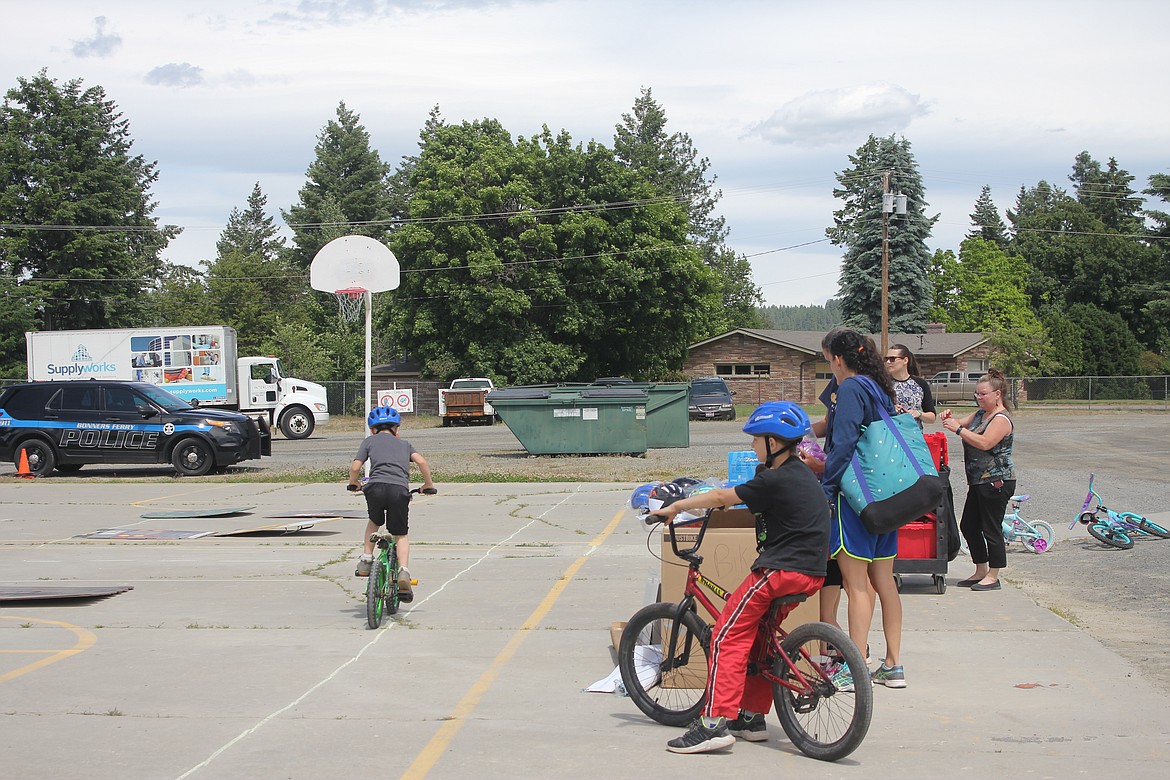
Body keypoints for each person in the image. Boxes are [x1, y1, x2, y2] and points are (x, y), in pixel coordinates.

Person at [649, 401, 830, 754]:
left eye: (755, 440)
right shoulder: (801, 472)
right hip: (811, 572)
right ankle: (750, 717)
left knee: (723, 638)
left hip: (780, 571)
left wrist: (674, 507)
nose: (751, 447)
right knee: (759, 639)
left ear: (773, 442)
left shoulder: (774, 479)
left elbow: (720, 497)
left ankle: (713, 724)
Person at [820, 328, 907, 689]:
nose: (831, 369)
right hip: (886, 495)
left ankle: (854, 669)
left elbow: (844, 443)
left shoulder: (853, 388)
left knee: (856, 586)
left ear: (839, 359)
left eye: (828, 362)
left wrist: (826, 487)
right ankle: (893, 664)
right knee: (884, 583)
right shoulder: (878, 385)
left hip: (856, 497)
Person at [348, 406, 435, 601]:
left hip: (375, 488)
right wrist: (428, 484)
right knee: (401, 534)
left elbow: (355, 466)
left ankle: (366, 559)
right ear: (396, 429)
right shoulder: (404, 444)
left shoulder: (368, 441)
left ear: (372, 429)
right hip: (398, 491)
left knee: (374, 521)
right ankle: (403, 571)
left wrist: (354, 483)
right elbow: (421, 462)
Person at [940, 369, 1015, 591]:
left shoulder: (1001, 419)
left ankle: (994, 574)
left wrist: (959, 429)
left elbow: (984, 443)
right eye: (976, 394)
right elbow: (958, 423)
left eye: (983, 394)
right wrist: (949, 418)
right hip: (978, 480)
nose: (978, 398)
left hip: (996, 480)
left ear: (997, 394)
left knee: (990, 528)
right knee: (969, 526)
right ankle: (980, 569)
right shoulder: (980, 414)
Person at [885, 343, 937, 427]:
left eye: (892, 359)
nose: (888, 362)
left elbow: (932, 418)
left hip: (914, 436)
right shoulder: (882, 384)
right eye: (886, 359)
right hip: (890, 434)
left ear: (905, 360)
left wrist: (919, 414)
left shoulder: (921, 384)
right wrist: (890, 410)